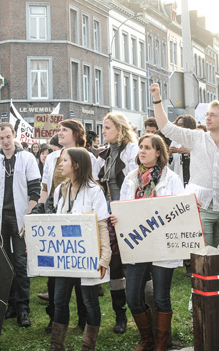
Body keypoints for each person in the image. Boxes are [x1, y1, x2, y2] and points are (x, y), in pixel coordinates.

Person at [110, 133, 184, 351]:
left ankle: (160, 344)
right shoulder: (131, 178)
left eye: (148, 148)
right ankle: (147, 340)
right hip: (138, 244)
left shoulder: (172, 179)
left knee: (161, 297)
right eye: (141, 147)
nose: (142, 151)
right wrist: (117, 218)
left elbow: (178, 211)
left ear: (158, 152)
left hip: (162, 245)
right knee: (133, 297)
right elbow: (124, 207)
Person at [150, 83, 219, 248]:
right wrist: (157, 99)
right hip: (201, 207)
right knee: (204, 256)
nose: (208, 118)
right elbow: (166, 128)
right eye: (207, 114)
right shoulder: (197, 138)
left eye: (213, 115)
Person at [50, 148, 111, 351]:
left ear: (76, 165)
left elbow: (102, 224)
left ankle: (88, 346)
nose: (60, 164)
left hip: (88, 255)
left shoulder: (94, 191)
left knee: (90, 302)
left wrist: (105, 257)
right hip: (65, 256)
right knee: (59, 301)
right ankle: (57, 346)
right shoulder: (61, 190)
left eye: (65, 160)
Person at [40, 119, 95, 333]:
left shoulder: (87, 156)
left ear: (76, 133)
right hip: (57, 214)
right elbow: (45, 188)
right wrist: (42, 213)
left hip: (80, 218)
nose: (59, 133)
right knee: (56, 272)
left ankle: (84, 319)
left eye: (64, 130)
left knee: (80, 270)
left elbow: (93, 185)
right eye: (59, 130)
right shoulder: (52, 157)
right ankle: (55, 318)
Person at [0, 122, 40, 328]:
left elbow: (34, 188)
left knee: (20, 263)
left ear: (14, 135)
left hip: (20, 218)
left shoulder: (27, 158)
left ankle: (23, 309)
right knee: (4, 264)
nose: (6, 141)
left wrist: (29, 215)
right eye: (1, 138)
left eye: (8, 137)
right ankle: (10, 305)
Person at [97, 112, 139, 334]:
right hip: (109, 215)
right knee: (114, 265)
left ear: (120, 129)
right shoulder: (103, 155)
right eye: (103, 128)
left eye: (107, 127)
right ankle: (120, 315)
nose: (103, 131)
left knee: (136, 262)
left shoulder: (132, 151)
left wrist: (124, 210)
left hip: (128, 214)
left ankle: (143, 309)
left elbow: (135, 182)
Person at [169, 115, 196, 187]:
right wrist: (170, 155)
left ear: (188, 126)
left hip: (194, 181)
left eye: (181, 125)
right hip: (180, 181)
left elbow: (203, 159)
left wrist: (190, 153)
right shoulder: (175, 141)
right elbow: (170, 167)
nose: (178, 127)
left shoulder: (196, 140)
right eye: (177, 125)